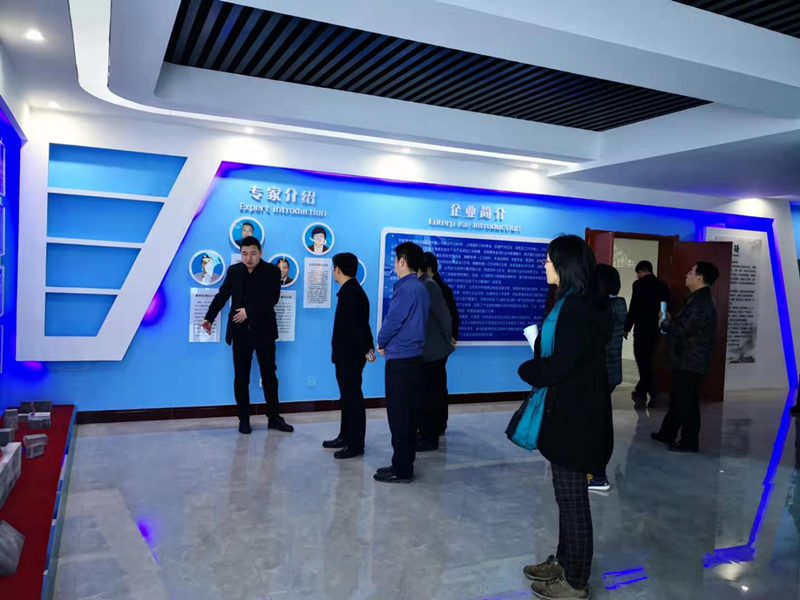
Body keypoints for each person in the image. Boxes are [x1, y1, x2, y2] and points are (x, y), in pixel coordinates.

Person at [517, 235, 612, 600]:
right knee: (565, 498)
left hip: (577, 419)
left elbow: (561, 365)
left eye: (548, 259)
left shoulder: (577, 308)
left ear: (565, 264)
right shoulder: (573, 302)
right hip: (571, 413)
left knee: (574, 503)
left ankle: (575, 581)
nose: (544, 265)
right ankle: (564, 560)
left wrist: (528, 369)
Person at [202, 237, 294, 435]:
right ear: (240, 254)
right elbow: (222, 295)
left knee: (269, 375)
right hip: (240, 332)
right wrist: (209, 318)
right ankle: (243, 420)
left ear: (260, 252)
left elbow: (272, 298)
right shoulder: (234, 271)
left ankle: (274, 418)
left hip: (264, 332)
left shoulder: (272, 271)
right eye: (244, 254)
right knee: (241, 377)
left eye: (253, 253)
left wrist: (249, 312)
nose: (248, 258)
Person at [374, 242, 429, 484]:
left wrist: (381, 341)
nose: (394, 264)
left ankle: (402, 469)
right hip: (414, 358)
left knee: (399, 417)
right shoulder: (421, 287)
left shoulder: (406, 288)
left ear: (403, 261)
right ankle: (402, 463)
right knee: (407, 416)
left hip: (401, 362)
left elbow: (393, 320)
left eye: (396, 260)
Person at [652, 262, 719, 453]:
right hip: (686, 358)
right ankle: (667, 433)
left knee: (686, 402)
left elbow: (684, 329)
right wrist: (670, 320)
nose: (687, 274)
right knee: (678, 399)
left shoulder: (700, 302)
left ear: (700, 277)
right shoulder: (697, 299)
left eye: (691, 272)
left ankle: (689, 441)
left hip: (691, 360)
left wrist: (664, 324)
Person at [323, 252, 376, 459]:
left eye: (333, 268)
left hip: (350, 356)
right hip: (349, 355)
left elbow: (355, 330)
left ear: (338, 269)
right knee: (347, 397)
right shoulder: (350, 291)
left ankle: (355, 444)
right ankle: (345, 436)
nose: (333, 271)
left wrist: (365, 352)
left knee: (352, 398)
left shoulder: (352, 293)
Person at [586, 264, 627, 493]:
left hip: (598, 374)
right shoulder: (619, 304)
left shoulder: (601, 307)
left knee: (592, 427)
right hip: (611, 374)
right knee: (597, 423)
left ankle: (596, 475)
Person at [416, 256, 454, 452]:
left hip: (434, 351)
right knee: (427, 394)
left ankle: (431, 436)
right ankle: (426, 432)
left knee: (432, 394)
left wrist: (448, 338)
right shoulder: (421, 285)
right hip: (427, 351)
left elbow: (445, 316)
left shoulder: (430, 285)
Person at [624, 260, 670, 406]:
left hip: (642, 329)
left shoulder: (638, 285)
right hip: (657, 329)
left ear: (641, 271)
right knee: (651, 361)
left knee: (642, 360)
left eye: (638, 273)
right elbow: (666, 308)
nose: (637, 276)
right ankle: (642, 390)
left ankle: (649, 392)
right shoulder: (663, 286)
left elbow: (634, 307)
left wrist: (626, 327)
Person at [424, 251, 458, 435]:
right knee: (435, 386)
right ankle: (436, 425)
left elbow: (450, 316)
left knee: (434, 388)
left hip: (436, 347)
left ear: (429, 269)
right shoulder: (431, 286)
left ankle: (436, 426)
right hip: (434, 346)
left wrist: (450, 337)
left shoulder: (436, 288)